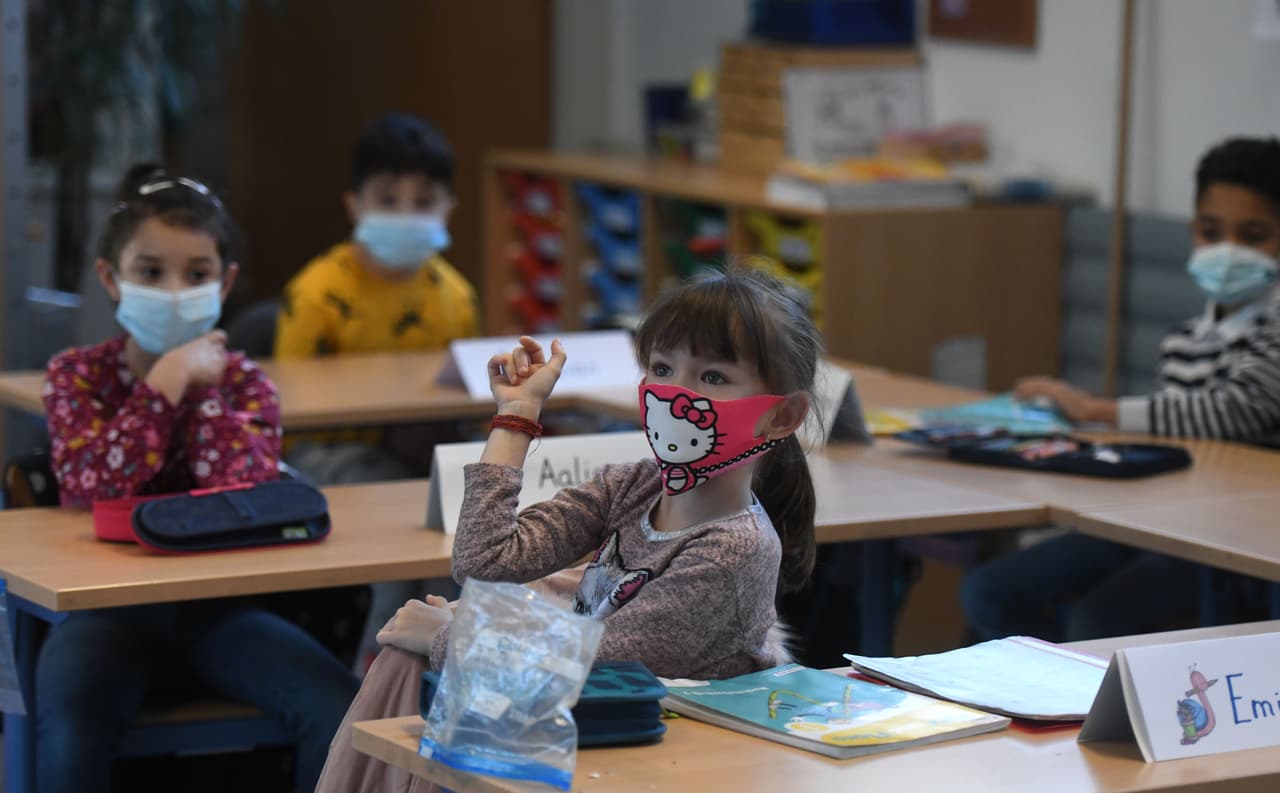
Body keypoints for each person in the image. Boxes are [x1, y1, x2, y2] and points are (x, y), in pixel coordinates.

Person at [313, 268, 820, 792]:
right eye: (662, 368)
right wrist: (516, 415)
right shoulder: (634, 485)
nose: (674, 394)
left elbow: (600, 664)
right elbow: (486, 562)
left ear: (781, 417)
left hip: (661, 768)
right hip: (583, 742)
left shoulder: (734, 550)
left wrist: (451, 638)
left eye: (713, 377)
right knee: (413, 654)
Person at [38, 164, 358, 792]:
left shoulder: (245, 383)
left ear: (225, 282)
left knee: (340, 712)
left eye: (196, 274)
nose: (174, 290)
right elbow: (97, 484)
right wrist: (163, 385)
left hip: (220, 613)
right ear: (111, 279)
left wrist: (202, 386)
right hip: (105, 613)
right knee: (70, 731)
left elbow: (245, 494)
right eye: (150, 272)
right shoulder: (75, 376)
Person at [963, 136, 1280, 642]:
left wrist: (1094, 409)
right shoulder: (1185, 337)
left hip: (1231, 540)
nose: (1227, 251)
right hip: (1162, 520)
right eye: (1211, 231)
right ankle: (1061, 678)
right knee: (988, 592)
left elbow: (1234, 414)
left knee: (1097, 620)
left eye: (1253, 235)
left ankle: (1096, 684)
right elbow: (1168, 436)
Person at [273, 112, 481, 671]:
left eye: (424, 201)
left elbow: (465, 393)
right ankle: (380, 663)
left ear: (449, 207)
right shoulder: (316, 293)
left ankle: (448, 653)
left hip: (423, 453)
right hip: (328, 453)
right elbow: (290, 407)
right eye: (388, 199)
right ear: (354, 205)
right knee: (404, 513)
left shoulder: (456, 296)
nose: (406, 215)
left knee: (467, 513)